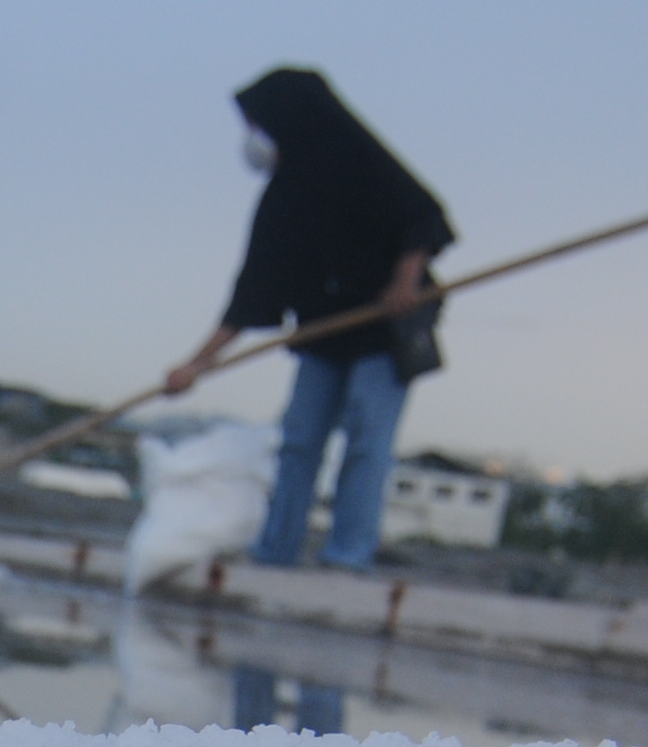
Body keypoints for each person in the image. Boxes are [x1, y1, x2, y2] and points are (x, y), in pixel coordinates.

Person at [164, 68, 454, 572]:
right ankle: (276, 549)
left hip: (384, 329)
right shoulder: (283, 202)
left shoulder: (361, 164)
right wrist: (195, 365)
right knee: (298, 440)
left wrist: (404, 284)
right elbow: (250, 295)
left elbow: (420, 219)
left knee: (367, 438)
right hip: (323, 333)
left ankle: (347, 554)